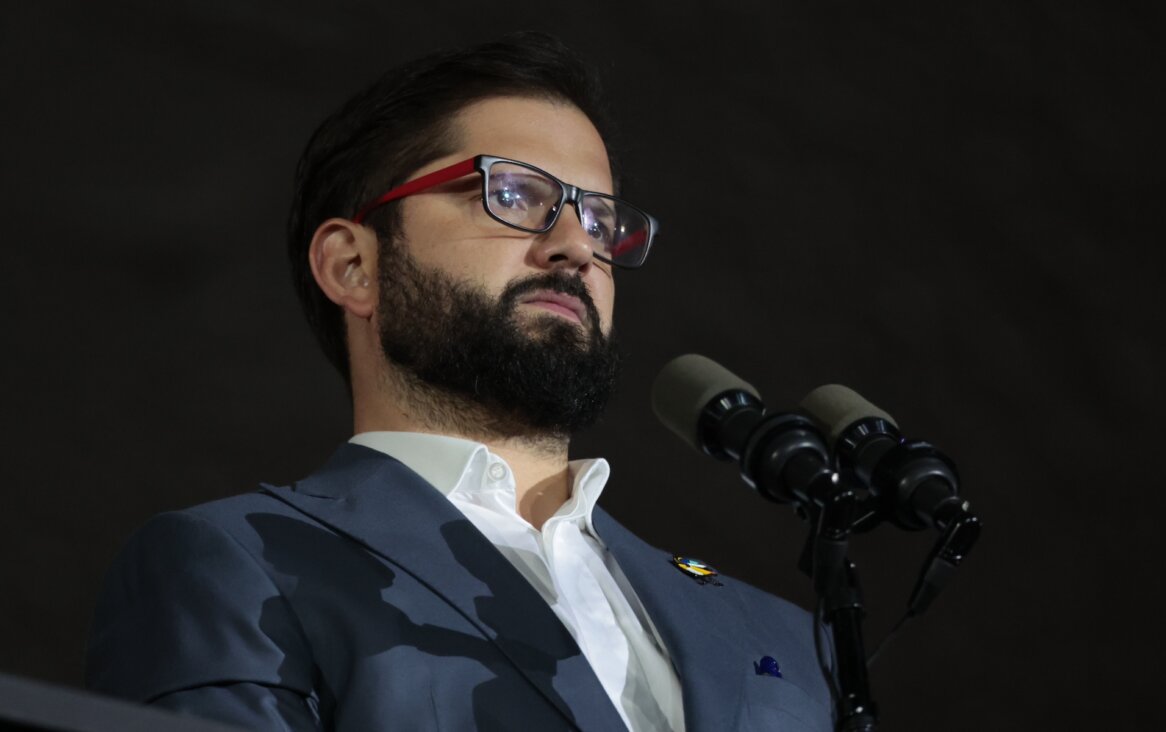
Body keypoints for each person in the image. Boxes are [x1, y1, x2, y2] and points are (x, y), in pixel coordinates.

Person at [86, 32, 833, 731]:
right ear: (354, 265)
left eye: (601, 222)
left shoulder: (786, 639)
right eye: (513, 194)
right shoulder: (238, 563)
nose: (575, 245)